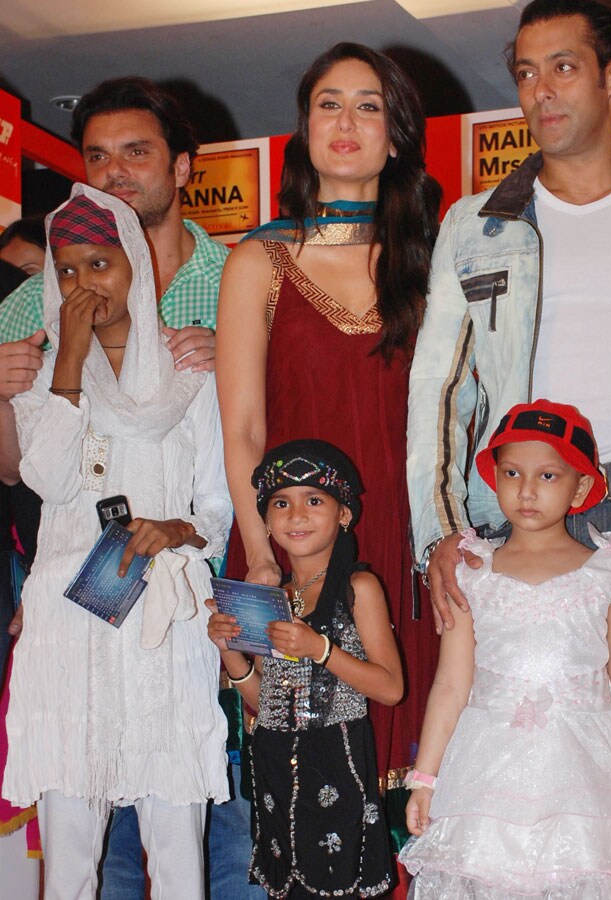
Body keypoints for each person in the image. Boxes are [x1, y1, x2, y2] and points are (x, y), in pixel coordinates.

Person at [407, 0, 611, 762]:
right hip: (515, 516)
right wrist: (438, 533)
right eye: (526, 73)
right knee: (519, 773)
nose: (540, 91)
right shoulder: (475, 225)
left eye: (563, 67)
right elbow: (437, 389)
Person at [0, 77, 255, 899]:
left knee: (188, 847)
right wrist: (54, 365)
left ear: (183, 166)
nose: (83, 285)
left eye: (135, 153)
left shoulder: (221, 312)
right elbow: (32, 472)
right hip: (70, 619)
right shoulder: (36, 344)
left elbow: (232, 485)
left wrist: (182, 538)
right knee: (73, 855)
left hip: (175, 621)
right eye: (97, 157)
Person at [216, 42, 442, 818]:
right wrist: (260, 557)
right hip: (297, 547)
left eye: (369, 105)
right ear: (304, 127)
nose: (347, 121)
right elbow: (243, 427)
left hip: (412, 550)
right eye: (330, 103)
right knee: (311, 783)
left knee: (420, 772)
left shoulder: (433, 259)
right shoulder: (260, 259)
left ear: (397, 133)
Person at [400, 399, 611, 897]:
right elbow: (450, 683)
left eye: (548, 476)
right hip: (486, 772)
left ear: (580, 486)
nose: (527, 490)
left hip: (589, 769)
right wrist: (425, 777)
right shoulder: (473, 572)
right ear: (494, 478)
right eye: (512, 472)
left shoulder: (609, 573)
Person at [207, 439, 402, 897]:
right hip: (274, 763)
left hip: (336, 761)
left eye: (314, 500)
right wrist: (228, 650)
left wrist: (321, 649)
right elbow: (267, 702)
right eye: (281, 503)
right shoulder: (272, 599)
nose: (296, 515)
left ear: (344, 514)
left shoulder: (359, 588)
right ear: (267, 521)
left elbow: (391, 689)